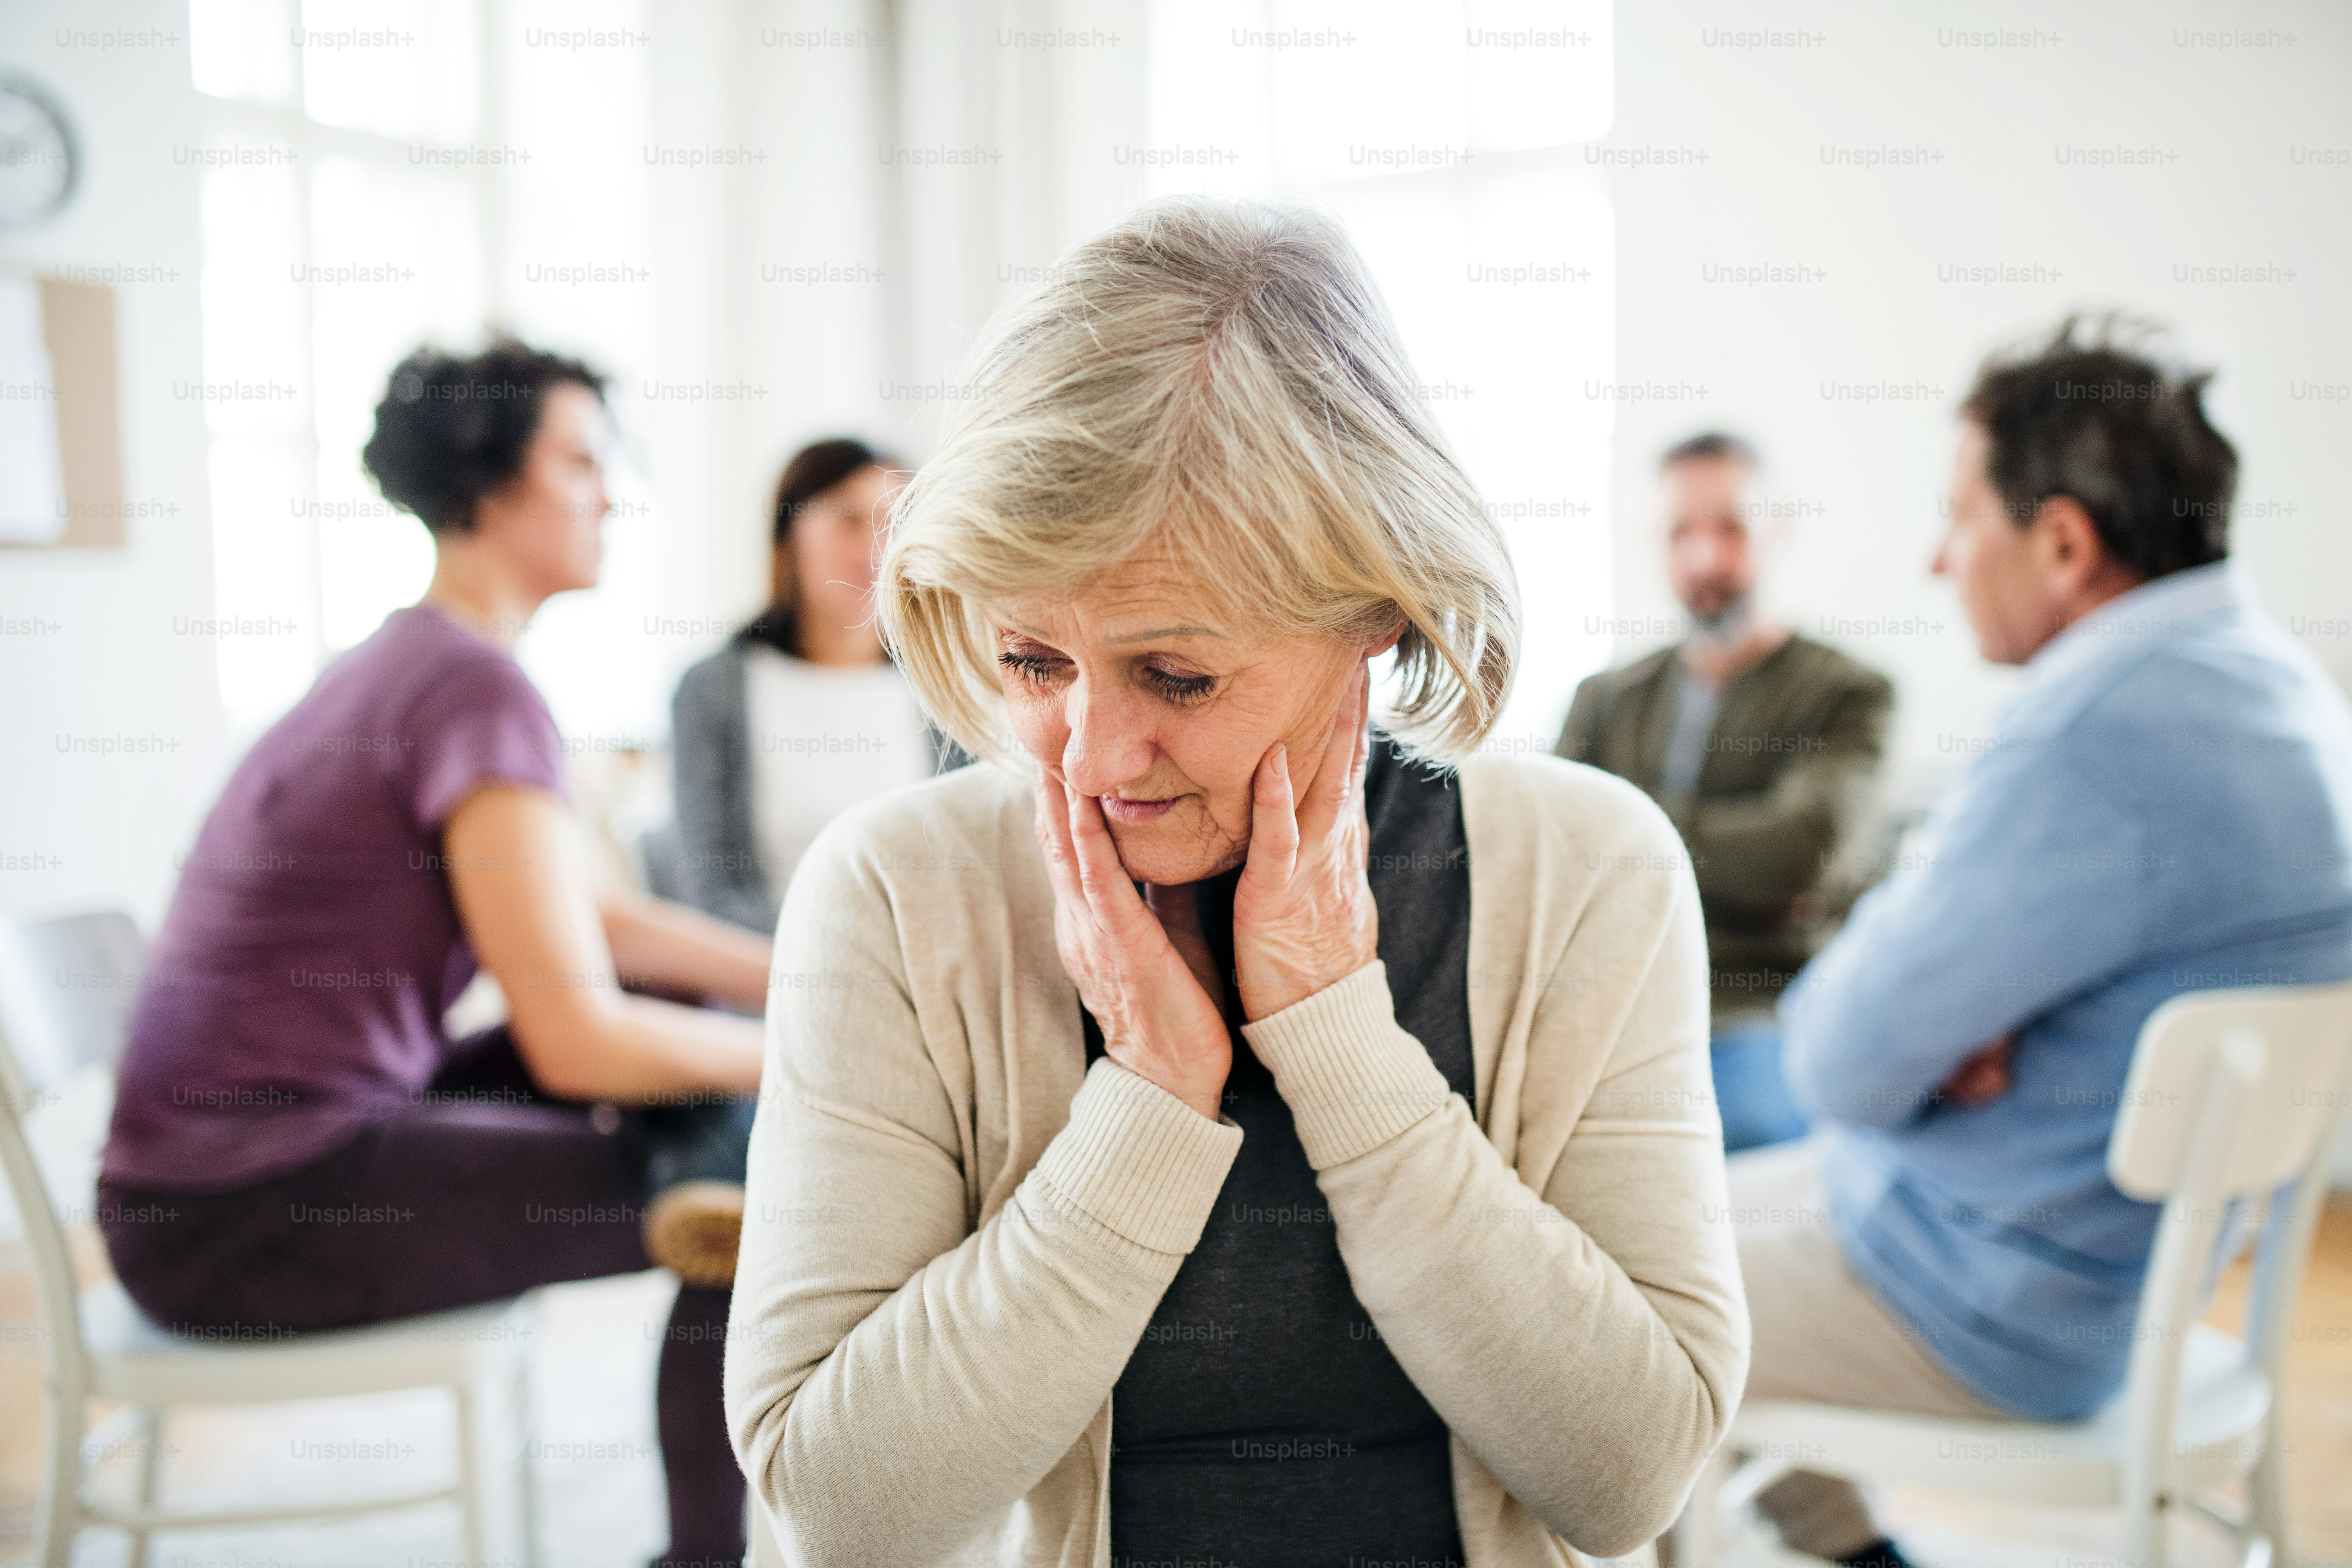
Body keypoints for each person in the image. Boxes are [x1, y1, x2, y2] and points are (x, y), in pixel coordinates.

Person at [723, 197, 1748, 1568]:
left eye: (1176, 674)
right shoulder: (895, 897)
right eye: (1034, 663)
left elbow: (1629, 1477)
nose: (1089, 757)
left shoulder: (1586, 871)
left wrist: (1334, 1036)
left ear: (1375, 612)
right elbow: (841, 1511)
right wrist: (1145, 1095)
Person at [98, 341, 773, 1568]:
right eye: (578, 460)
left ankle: (698, 1174)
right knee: (757, 1207)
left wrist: (805, 976)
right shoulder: (471, 687)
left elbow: (596, 928)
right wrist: (797, 1056)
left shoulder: (411, 661)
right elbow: (577, 1034)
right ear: (489, 481)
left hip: (212, 1178)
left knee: (688, 1060)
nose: (609, 494)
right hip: (245, 1212)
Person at [1699, 317, 2352, 1566]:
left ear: (2060, 541)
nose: (1936, 561)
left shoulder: (2087, 730)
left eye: (1958, 519)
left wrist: (1942, 1018)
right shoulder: (2281, 693)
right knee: (1681, 1205)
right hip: (2122, 1276)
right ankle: (1854, 1554)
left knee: (1604, 1287)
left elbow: (1833, 1060)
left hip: (1991, 1302)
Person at [1556, 434, 1892, 1152]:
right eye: (1682, 532)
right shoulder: (1603, 699)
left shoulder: (1845, 693)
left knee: (1738, 1142)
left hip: (1750, 1007)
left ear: (1777, 531)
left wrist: (1622, 834)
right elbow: (1551, 853)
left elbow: (1802, 853)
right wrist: (1740, 859)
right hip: (1600, 1005)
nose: (1706, 558)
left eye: (1731, 528)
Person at [668, 438, 964, 936]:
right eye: (849, 520)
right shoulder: (713, 689)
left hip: (927, 970)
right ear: (788, 538)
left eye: (897, 523)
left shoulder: (946, 685)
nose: (876, 547)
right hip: (766, 975)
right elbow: (710, 893)